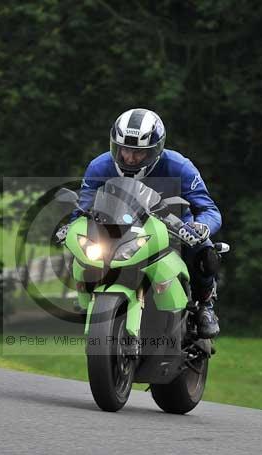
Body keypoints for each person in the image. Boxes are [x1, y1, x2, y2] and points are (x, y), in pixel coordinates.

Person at [57, 108, 222, 338]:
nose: (130, 157)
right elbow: (84, 207)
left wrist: (201, 226)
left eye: (138, 152)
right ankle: (91, 296)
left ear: (155, 149)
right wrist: (71, 226)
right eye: (125, 149)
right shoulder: (100, 166)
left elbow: (208, 209)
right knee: (80, 248)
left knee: (205, 253)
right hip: (116, 231)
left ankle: (205, 307)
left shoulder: (180, 167)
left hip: (174, 231)